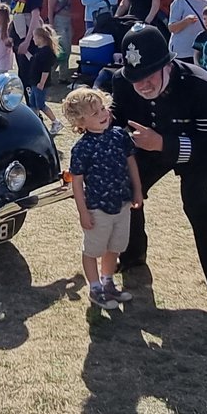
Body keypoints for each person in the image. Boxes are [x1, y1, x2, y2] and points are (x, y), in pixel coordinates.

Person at [110, 25, 207, 312]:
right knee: (128, 188)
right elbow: (119, 119)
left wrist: (165, 144)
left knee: (197, 201)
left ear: (168, 64)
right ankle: (133, 255)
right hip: (147, 146)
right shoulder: (121, 82)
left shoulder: (202, 85)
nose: (142, 85)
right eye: (135, 78)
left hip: (197, 150)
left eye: (148, 76)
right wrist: (100, 123)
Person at [61, 87, 144, 310]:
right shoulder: (82, 148)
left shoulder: (119, 136)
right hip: (97, 208)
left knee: (115, 246)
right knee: (93, 250)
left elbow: (131, 164)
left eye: (103, 108)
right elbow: (76, 182)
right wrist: (83, 212)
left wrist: (137, 190)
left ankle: (108, 282)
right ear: (80, 122)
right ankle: (95, 287)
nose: (103, 114)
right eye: (95, 113)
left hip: (122, 203)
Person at [10, 0, 46, 81]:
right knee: (22, 71)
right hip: (17, 29)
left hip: (29, 30)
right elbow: (15, 9)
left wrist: (27, 40)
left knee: (30, 71)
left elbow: (35, 15)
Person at [27, 24, 63, 135]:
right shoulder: (40, 51)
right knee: (32, 104)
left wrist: (42, 82)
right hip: (34, 82)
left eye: (34, 37)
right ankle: (35, 124)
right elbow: (34, 60)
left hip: (39, 83)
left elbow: (45, 70)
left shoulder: (46, 53)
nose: (33, 39)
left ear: (41, 38)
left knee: (41, 104)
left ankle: (56, 122)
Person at [48, 0, 75, 83]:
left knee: (67, 49)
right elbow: (50, 8)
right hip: (58, 20)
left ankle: (62, 75)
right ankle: (50, 72)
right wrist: (51, 25)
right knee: (62, 50)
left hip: (67, 21)